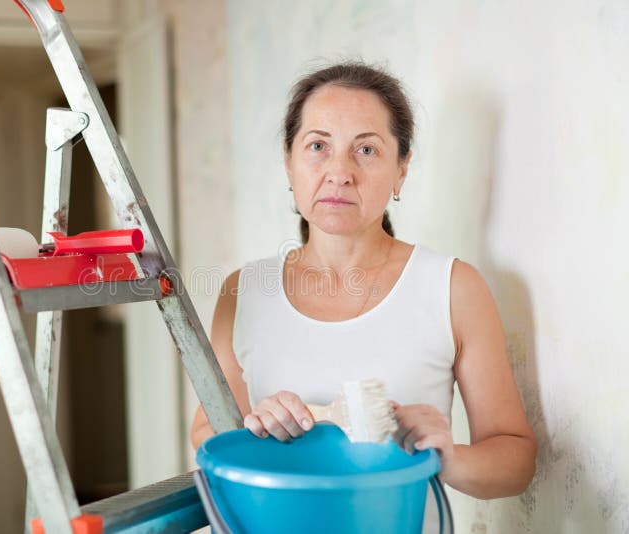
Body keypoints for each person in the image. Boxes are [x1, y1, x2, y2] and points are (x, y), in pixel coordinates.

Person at [190, 61, 536, 526]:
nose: (340, 172)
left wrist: (447, 456)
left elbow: (514, 460)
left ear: (401, 170)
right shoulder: (243, 292)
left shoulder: (453, 287)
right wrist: (254, 427)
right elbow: (205, 430)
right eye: (317, 146)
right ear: (289, 163)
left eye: (367, 150)